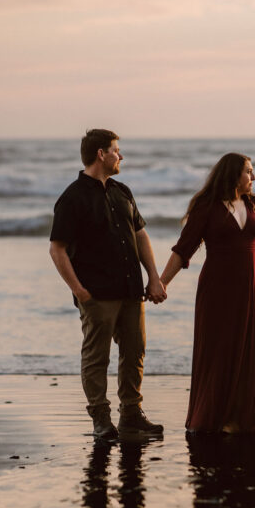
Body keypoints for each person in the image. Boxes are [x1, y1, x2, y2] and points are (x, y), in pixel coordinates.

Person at [49, 129, 166, 443]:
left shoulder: (122, 191)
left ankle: (131, 415)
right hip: (96, 293)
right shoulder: (72, 197)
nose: (121, 156)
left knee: (134, 352)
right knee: (96, 357)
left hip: (131, 289)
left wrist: (153, 276)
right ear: (101, 154)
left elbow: (140, 234)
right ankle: (101, 418)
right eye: (116, 150)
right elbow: (57, 249)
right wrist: (79, 290)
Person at [160, 153, 255, 433]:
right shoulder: (207, 206)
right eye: (249, 171)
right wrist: (162, 282)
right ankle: (217, 417)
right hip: (218, 289)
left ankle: (242, 418)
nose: (253, 177)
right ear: (233, 173)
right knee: (219, 352)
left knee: (250, 352)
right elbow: (183, 248)